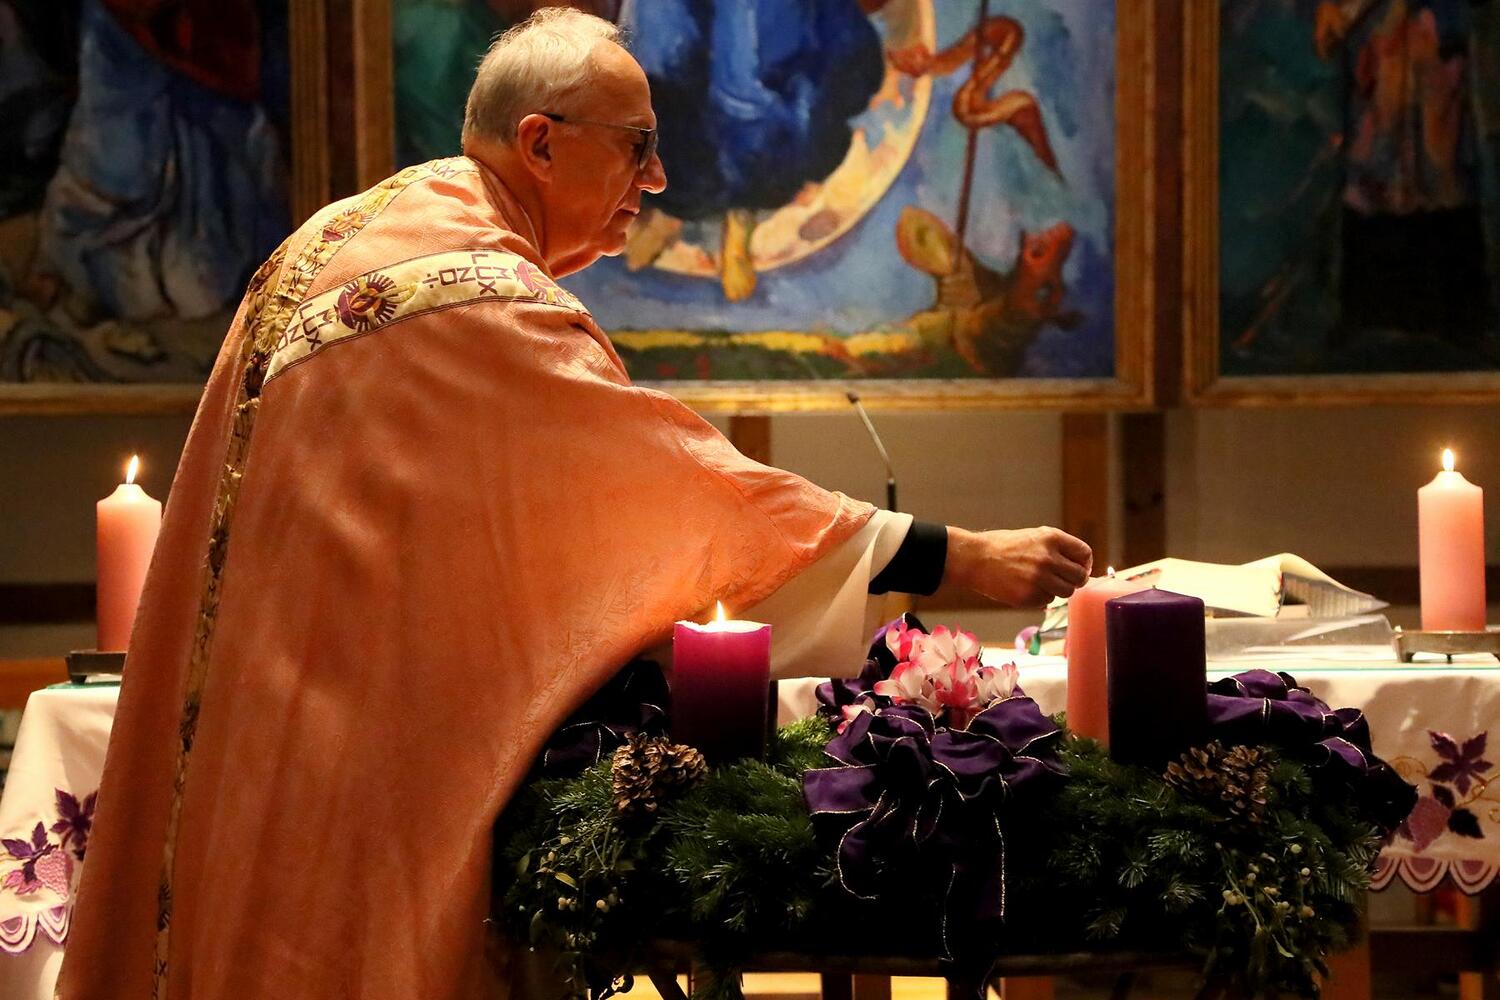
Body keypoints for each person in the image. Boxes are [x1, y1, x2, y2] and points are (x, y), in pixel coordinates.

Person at [58, 9, 1091, 999]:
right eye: (638, 146)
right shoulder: (482, 302)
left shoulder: (339, 238)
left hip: (243, 745)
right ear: (541, 143)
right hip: (352, 773)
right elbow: (680, 489)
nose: (659, 178)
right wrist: (953, 555)